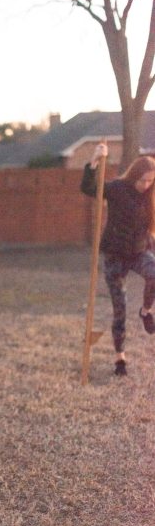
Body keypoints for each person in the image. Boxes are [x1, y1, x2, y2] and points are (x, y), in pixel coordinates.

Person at [81, 144, 155, 376]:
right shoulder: (117, 188)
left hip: (138, 252)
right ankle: (119, 358)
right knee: (119, 308)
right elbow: (89, 188)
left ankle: (145, 311)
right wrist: (94, 161)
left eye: (151, 181)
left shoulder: (150, 195)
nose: (146, 185)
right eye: (143, 180)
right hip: (114, 255)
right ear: (134, 175)